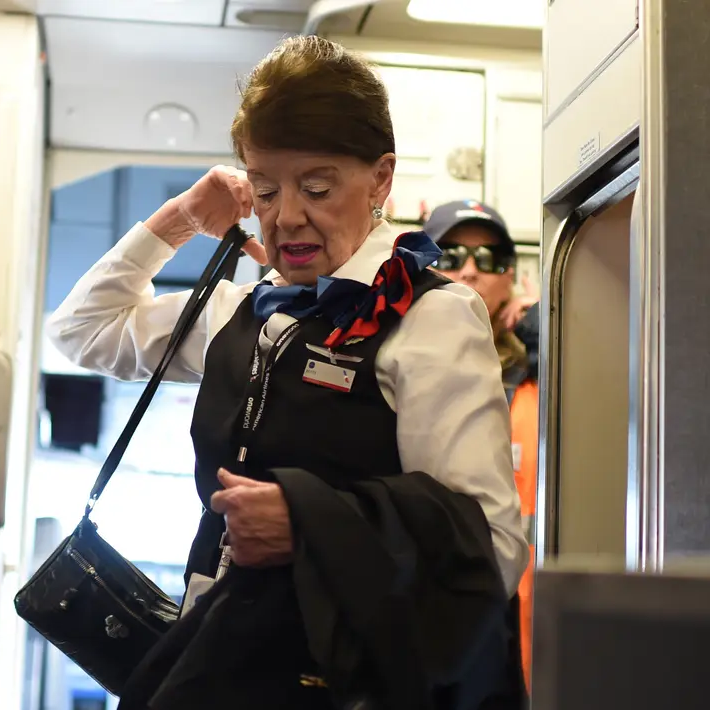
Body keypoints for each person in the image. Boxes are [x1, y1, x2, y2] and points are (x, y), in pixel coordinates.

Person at [47, 36, 528, 709]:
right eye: (266, 189)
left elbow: (490, 546)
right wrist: (184, 216)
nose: (288, 217)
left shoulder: (430, 318)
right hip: (218, 664)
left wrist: (311, 525)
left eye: (318, 187)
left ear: (381, 180)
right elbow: (80, 332)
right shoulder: (241, 312)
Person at [427, 200, 540, 692]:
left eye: (489, 259)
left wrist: (551, 321)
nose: (471, 269)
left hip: (525, 634)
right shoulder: (387, 366)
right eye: (451, 255)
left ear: (510, 278)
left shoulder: (543, 375)